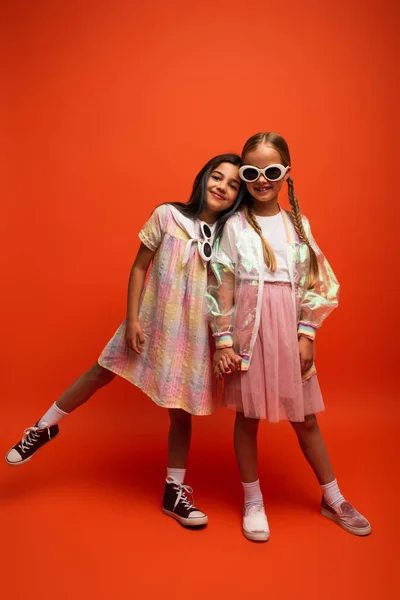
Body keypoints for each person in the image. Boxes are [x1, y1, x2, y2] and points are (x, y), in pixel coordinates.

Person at [6, 153, 244, 527]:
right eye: (217, 177)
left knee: (181, 413)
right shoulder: (167, 216)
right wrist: (133, 318)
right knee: (100, 372)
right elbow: (139, 266)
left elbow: (226, 291)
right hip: (151, 321)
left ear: (238, 197)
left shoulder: (231, 237)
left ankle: (173, 492)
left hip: (194, 334)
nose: (223, 187)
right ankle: (42, 428)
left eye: (233, 185)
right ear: (203, 178)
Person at [208, 133, 371, 541]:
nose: (262, 180)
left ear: (286, 174)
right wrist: (223, 338)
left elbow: (317, 280)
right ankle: (253, 500)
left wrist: (307, 332)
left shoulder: (297, 223)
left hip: (288, 326)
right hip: (249, 328)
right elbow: (221, 283)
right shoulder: (234, 226)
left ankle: (332, 497)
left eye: (272, 171)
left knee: (306, 419)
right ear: (244, 176)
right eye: (252, 172)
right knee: (247, 419)